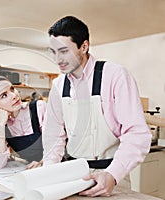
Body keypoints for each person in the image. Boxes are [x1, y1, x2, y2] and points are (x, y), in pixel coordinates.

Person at [42, 16, 152, 197]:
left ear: (84, 47)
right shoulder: (58, 85)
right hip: (72, 176)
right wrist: (48, 173)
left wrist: (112, 175)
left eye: (63, 51)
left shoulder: (115, 75)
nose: (57, 60)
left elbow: (137, 134)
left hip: (111, 175)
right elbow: (53, 135)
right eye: (53, 52)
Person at [0, 76, 46, 169]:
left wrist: (43, 162)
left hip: (61, 163)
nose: (14, 96)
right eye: (4, 95)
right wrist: (0, 124)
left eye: (12, 89)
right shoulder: (4, 125)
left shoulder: (39, 108)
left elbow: (57, 143)